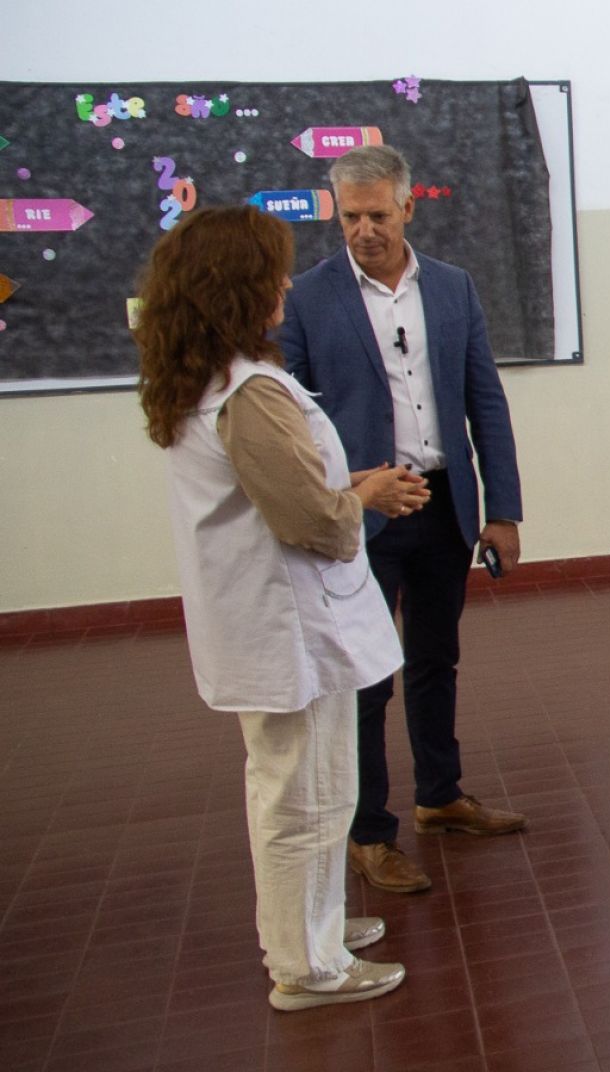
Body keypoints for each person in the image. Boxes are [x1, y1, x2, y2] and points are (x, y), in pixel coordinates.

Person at [136, 205, 429, 1009]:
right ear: (235, 285)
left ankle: (312, 930)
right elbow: (315, 522)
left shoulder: (208, 379)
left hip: (264, 624)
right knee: (309, 799)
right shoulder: (251, 392)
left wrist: (345, 485)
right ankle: (308, 968)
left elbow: (285, 490)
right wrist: (366, 494)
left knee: (297, 789)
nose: (287, 285)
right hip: (289, 628)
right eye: (273, 272)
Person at [280, 144, 527, 896]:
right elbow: (291, 422)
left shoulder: (452, 287)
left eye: (378, 215)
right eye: (351, 217)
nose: (364, 230)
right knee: (365, 678)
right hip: (364, 513)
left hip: (443, 503)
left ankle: (440, 797)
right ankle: (369, 833)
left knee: (434, 659)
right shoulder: (308, 298)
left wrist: (503, 510)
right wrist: (348, 489)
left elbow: (485, 401)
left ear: (408, 208)